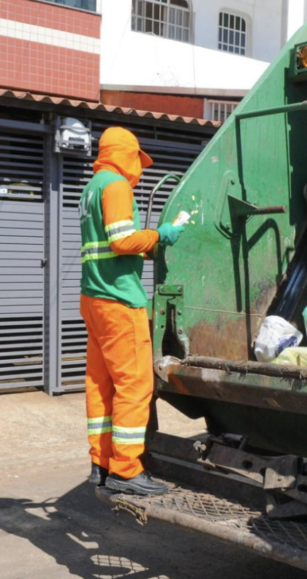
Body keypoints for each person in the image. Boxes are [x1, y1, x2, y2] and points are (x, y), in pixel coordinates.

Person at [79, 126, 185, 496]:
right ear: (127, 155)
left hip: (94, 298)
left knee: (100, 383)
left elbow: (106, 245)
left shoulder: (92, 188)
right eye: (137, 160)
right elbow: (121, 241)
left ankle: (101, 463)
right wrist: (160, 235)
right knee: (135, 383)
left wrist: (147, 248)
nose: (139, 169)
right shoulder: (117, 185)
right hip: (119, 299)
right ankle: (126, 470)